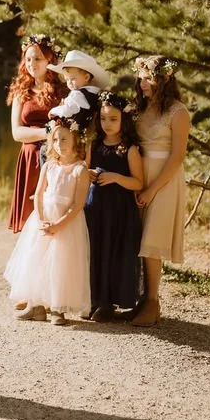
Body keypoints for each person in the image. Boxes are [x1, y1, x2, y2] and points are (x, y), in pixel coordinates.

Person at [4, 121, 92, 326]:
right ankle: (36, 306)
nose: (59, 143)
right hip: (43, 221)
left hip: (66, 223)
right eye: (55, 139)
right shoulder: (50, 165)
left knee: (61, 264)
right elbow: (39, 194)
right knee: (36, 259)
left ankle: (57, 308)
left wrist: (59, 224)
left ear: (75, 140)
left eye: (64, 139)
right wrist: (42, 219)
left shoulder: (80, 169)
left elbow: (78, 204)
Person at [132, 55, 190, 327]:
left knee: (151, 240)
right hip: (139, 176)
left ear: (163, 80)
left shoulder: (178, 112)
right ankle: (139, 298)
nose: (142, 83)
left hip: (164, 181)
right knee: (137, 237)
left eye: (147, 78)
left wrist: (153, 189)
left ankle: (153, 301)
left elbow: (177, 156)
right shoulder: (140, 109)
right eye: (141, 77)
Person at [85, 91, 144, 321]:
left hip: (118, 212)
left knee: (114, 253)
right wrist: (88, 174)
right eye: (103, 118)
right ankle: (94, 300)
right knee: (96, 251)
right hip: (95, 209)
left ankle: (109, 303)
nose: (107, 124)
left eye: (113, 119)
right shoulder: (95, 144)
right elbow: (85, 168)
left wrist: (116, 177)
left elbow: (138, 182)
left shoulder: (129, 149)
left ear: (123, 120)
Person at [6, 34, 69, 237]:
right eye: (29, 58)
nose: (32, 63)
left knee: (51, 212)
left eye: (38, 58)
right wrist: (47, 132)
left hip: (56, 157)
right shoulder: (21, 91)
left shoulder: (63, 91)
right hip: (30, 158)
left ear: (50, 60)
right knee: (29, 218)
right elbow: (17, 132)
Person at [47, 49, 110, 130]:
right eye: (67, 80)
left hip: (79, 132)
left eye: (72, 79)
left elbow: (67, 110)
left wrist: (54, 111)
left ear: (86, 77)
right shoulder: (95, 92)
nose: (69, 83)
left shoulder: (77, 94)